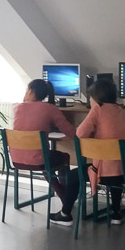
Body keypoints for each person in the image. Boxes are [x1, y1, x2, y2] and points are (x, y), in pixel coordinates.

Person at [52, 78, 125, 226]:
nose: (90, 100)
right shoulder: (121, 111)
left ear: (96, 98)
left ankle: (65, 214)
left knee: (74, 175)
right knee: (115, 166)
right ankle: (116, 213)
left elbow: (80, 134)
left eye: (90, 97)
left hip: (107, 175)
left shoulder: (98, 109)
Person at [11, 79, 77, 218]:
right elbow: (70, 132)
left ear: (30, 91)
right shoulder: (50, 109)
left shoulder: (17, 108)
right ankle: (65, 199)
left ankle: (64, 197)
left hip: (16, 160)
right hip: (38, 160)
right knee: (62, 157)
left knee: (45, 160)